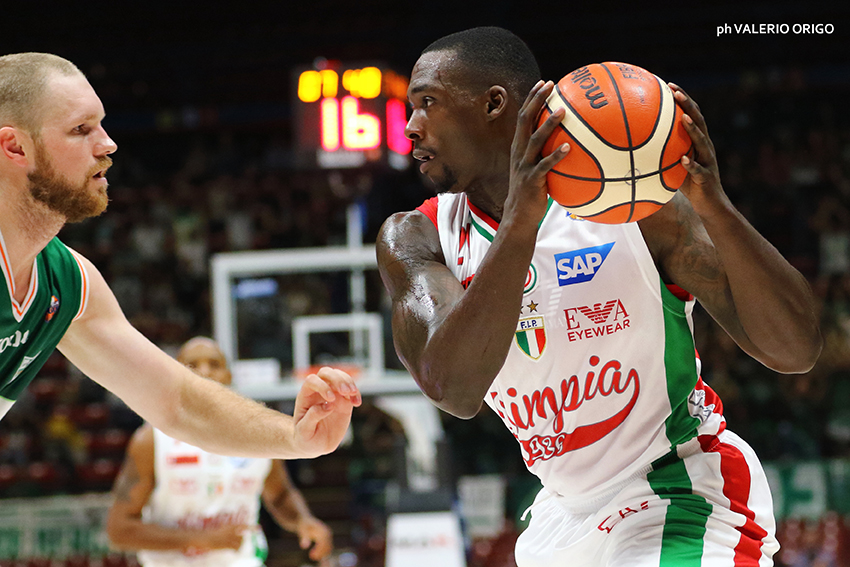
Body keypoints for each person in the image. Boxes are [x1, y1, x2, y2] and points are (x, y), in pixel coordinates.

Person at [376, 27, 822, 566]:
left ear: (493, 104)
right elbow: (454, 388)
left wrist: (715, 206)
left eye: (427, 102)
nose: (411, 126)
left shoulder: (636, 209)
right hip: (562, 514)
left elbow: (795, 350)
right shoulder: (417, 237)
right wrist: (520, 225)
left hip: (678, 488)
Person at [0, 52, 361, 460]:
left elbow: (177, 403)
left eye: (100, 124)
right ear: (16, 147)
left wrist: (294, 438)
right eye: (80, 129)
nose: (108, 143)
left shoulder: (68, 283)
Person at [107, 337, 334, 566]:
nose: (205, 371)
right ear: (175, 374)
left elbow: (280, 495)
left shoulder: (259, 434)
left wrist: (303, 521)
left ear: (228, 375)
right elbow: (119, 530)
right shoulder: (151, 440)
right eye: (192, 365)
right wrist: (202, 539)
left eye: (214, 364)